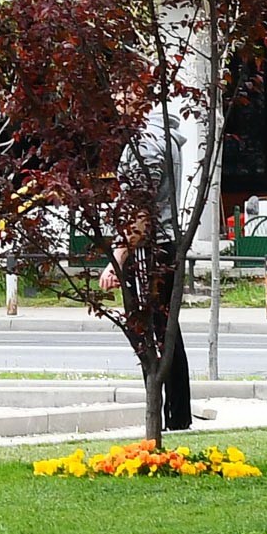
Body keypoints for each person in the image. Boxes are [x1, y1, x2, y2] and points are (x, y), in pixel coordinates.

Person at [98, 92, 191, 432]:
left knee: (153, 335)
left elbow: (141, 212)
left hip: (150, 250)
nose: (116, 99)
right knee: (166, 331)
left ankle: (170, 417)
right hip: (164, 245)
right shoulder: (166, 138)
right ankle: (176, 416)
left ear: (139, 96)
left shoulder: (146, 144)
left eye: (124, 92)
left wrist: (117, 258)